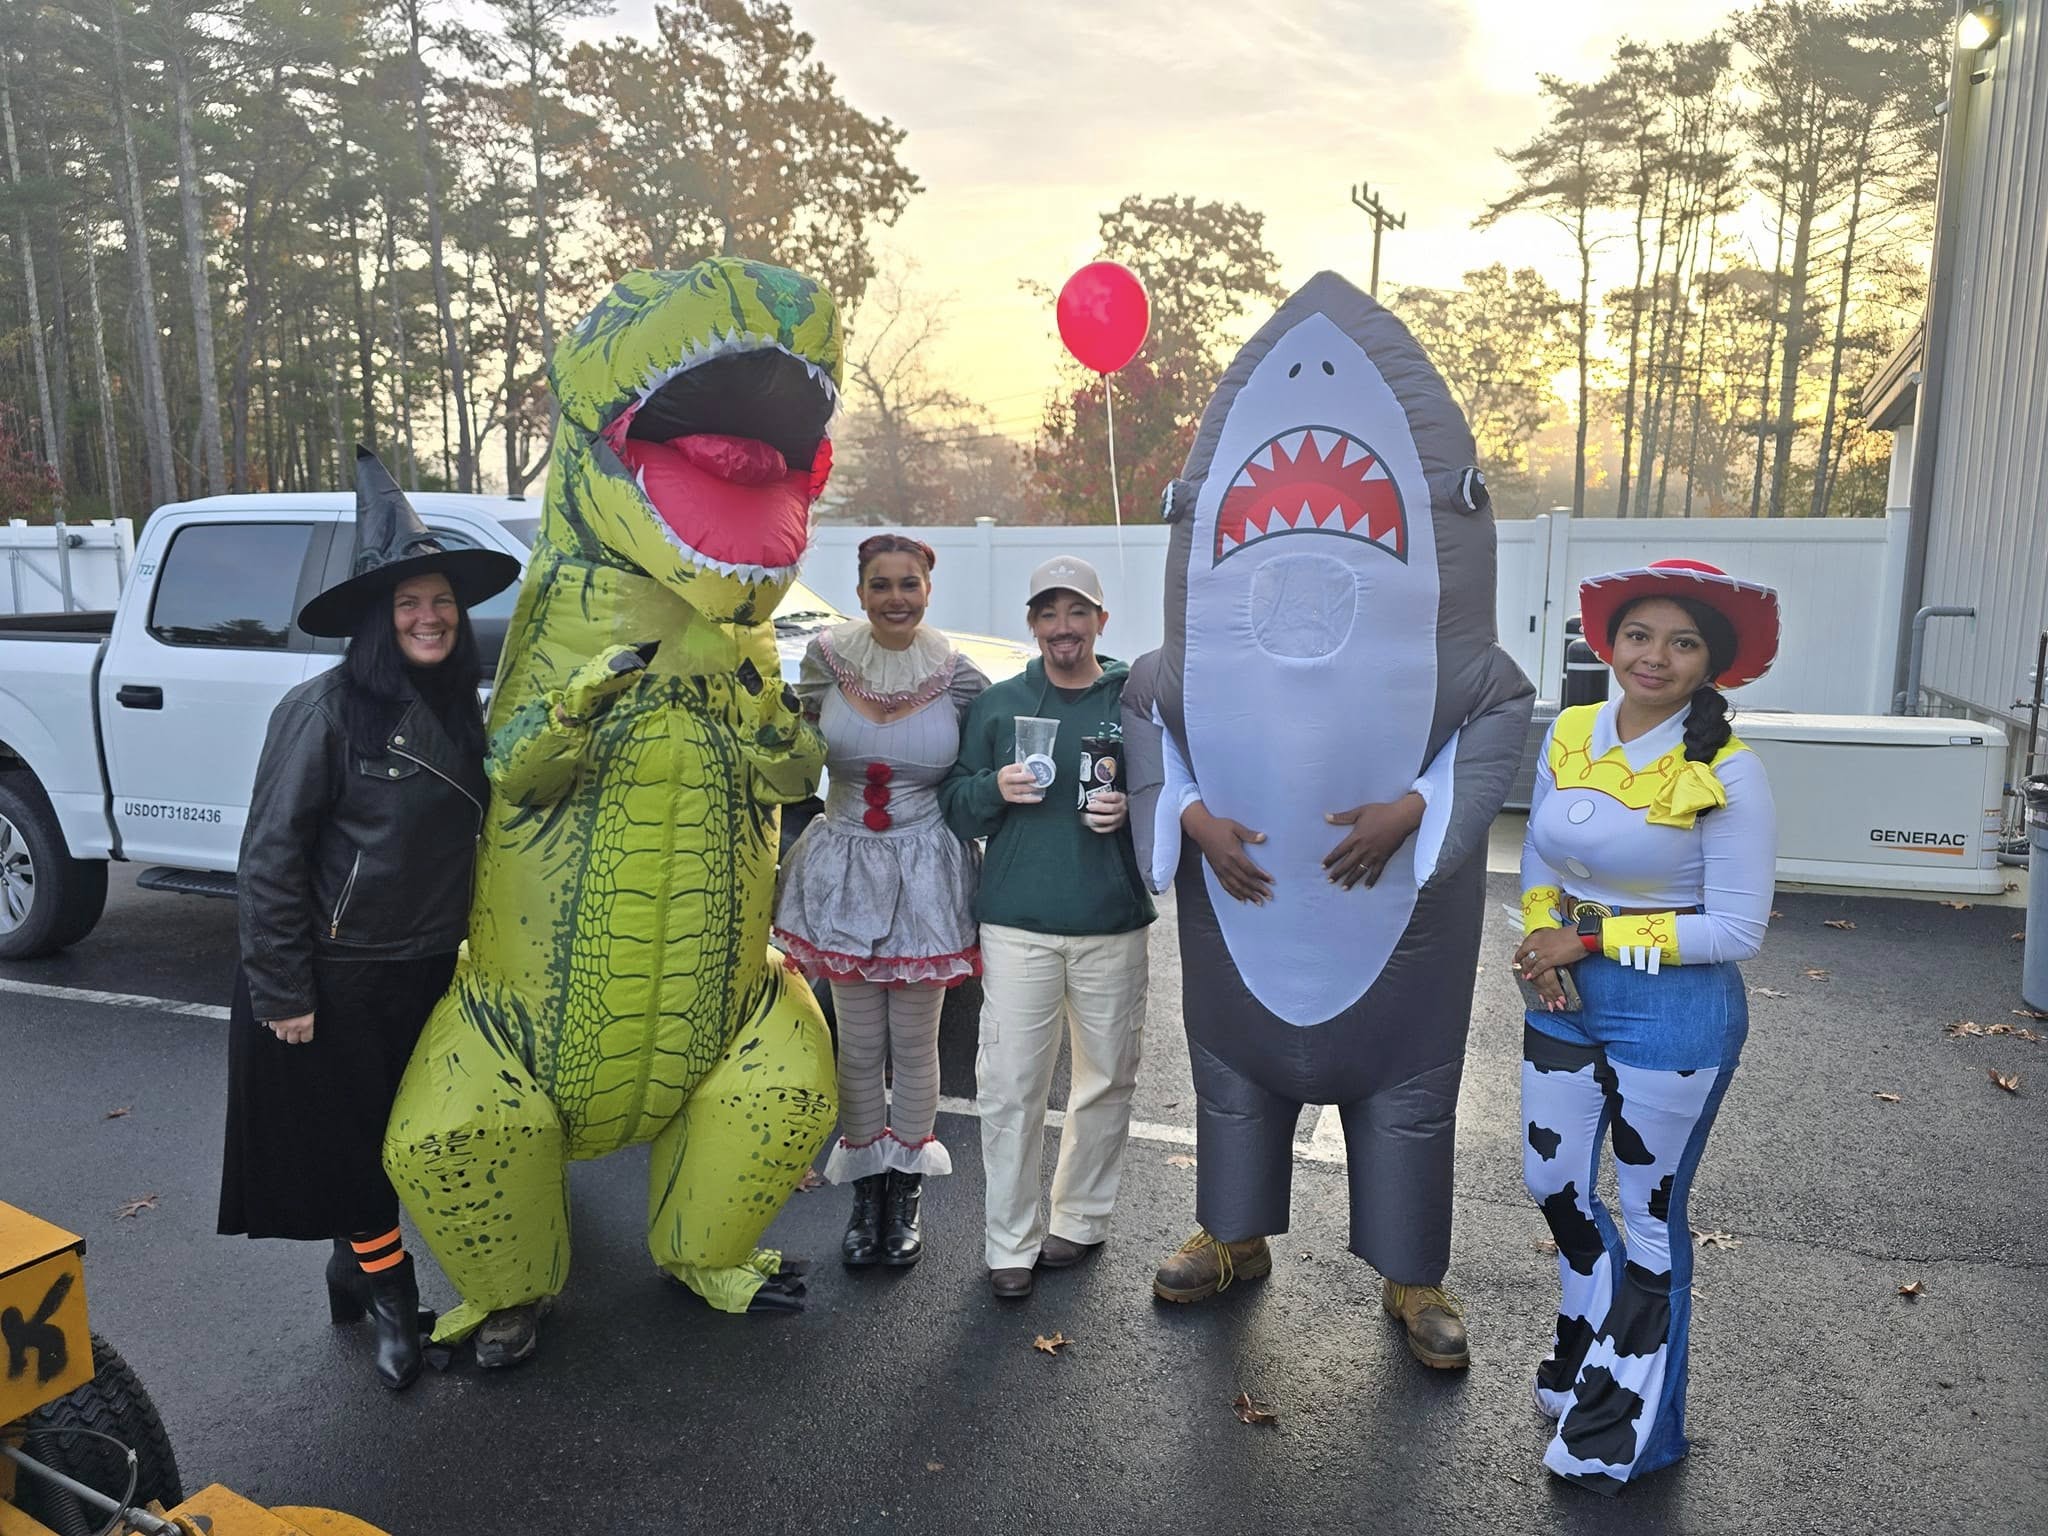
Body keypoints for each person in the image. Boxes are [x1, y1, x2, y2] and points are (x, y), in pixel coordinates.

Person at [1119, 270, 1533, 1372]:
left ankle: (1413, 1276)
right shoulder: (1184, 657)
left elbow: (1498, 708)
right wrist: (1192, 817)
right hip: (1240, 910)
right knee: (1230, 1078)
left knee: (1408, 1095)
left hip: (1393, 923)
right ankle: (1230, 1232)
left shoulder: (1463, 661)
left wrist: (1415, 807)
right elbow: (1145, 710)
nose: (1309, 367)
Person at [218, 448, 518, 1391]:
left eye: (441, 603)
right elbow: (268, 857)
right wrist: (284, 989)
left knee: (413, 1136)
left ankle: (358, 1266)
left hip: (430, 967)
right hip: (339, 971)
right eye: (407, 605)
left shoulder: (465, 713)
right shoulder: (322, 712)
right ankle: (391, 1301)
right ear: (377, 622)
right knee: (354, 1151)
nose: (429, 618)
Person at [1512, 558, 1779, 1492]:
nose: (1654, 656)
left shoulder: (1729, 771)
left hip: (1673, 1014)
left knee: (1653, 1218)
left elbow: (1738, 929)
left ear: (1712, 663)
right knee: (1549, 1181)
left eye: (1682, 641)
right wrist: (1543, 929)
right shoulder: (1573, 730)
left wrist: (1583, 938)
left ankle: (1627, 1429)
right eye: (1638, 635)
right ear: (1609, 643)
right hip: (1562, 994)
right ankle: (1583, 1349)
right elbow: (1538, 853)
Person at [939, 555, 1155, 1299]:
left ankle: (1082, 1220)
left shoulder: (1136, 698)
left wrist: (1135, 809)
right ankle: (1009, 1241)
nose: (1063, 629)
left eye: (1077, 612)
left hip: (1112, 919)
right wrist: (993, 787)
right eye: (1048, 614)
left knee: (1106, 1080)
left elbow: (1178, 790)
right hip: (1018, 922)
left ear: (1100, 619)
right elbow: (957, 805)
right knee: (1009, 1086)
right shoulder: (1001, 706)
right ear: (1031, 624)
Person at [773, 534, 989, 1269]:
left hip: (926, 869)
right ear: (859, 592)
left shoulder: (960, 676)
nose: (895, 596)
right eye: (879, 584)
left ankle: (906, 1187)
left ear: (929, 588)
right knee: (857, 1043)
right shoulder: (823, 661)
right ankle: (866, 1191)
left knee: (916, 1040)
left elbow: (995, 757)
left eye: (908, 583)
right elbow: (791, 743)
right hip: (843, 864)